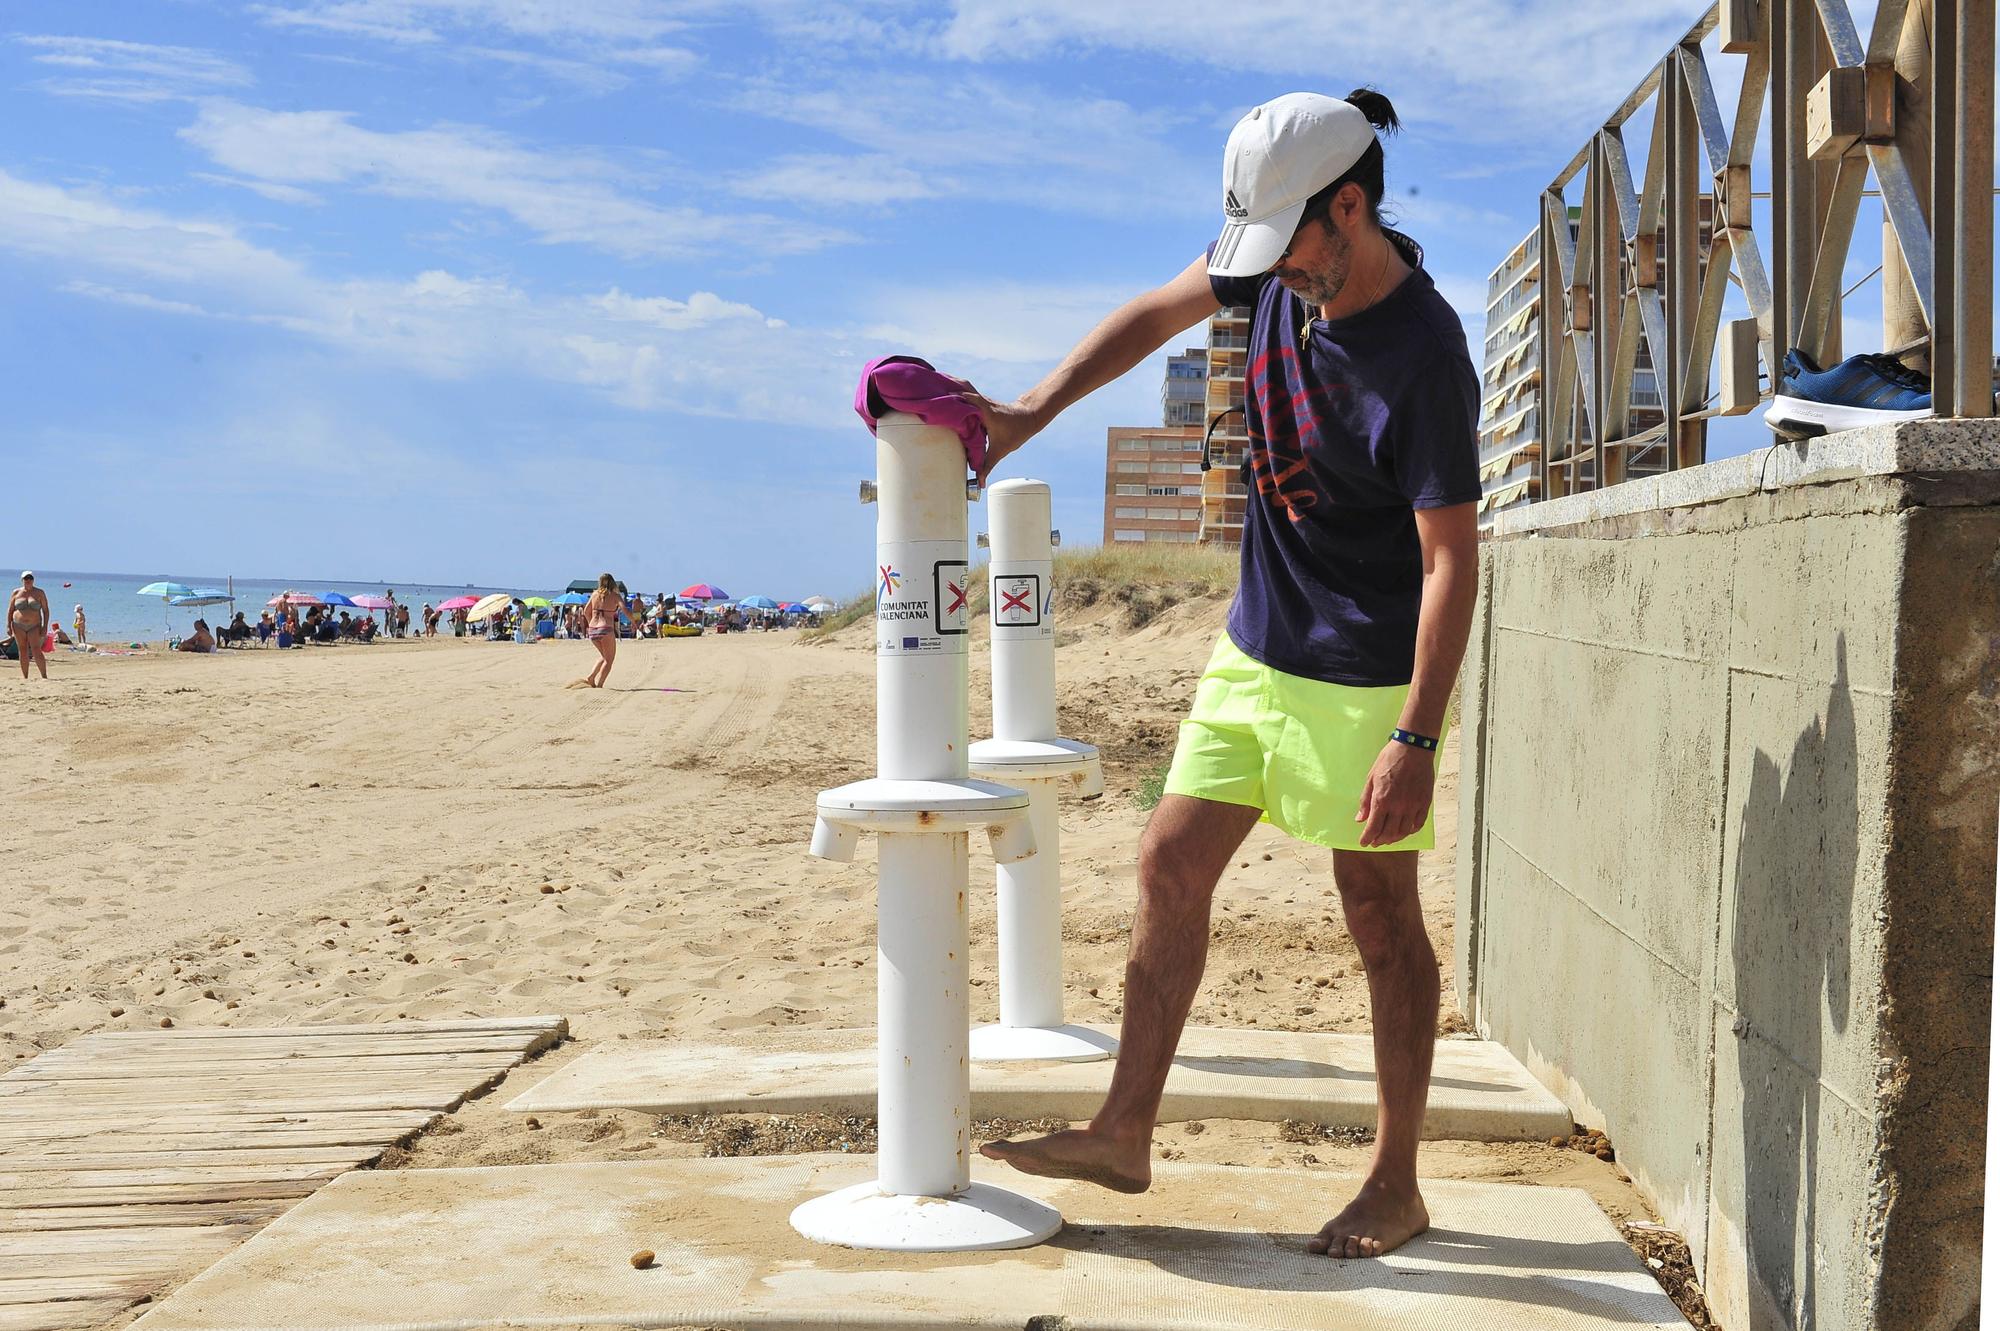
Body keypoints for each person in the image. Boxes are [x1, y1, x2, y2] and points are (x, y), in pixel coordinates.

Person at [967, 91, 1481, 1261]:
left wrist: (1415, 738)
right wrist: (1031, 411)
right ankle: (1123, 1126)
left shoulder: (1423, 355)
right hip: (1253, 644)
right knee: (1167, 858)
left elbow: (1450, 558)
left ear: (1349, 207)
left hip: (1360, 670)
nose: (1270, 274)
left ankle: (1394, 1181)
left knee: (1378, 913)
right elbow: (1152, 314)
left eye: (1295, 244)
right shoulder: (1267, 263)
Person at [571, 572, 622, 688]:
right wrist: (634, 622)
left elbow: (585, 612)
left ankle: (591, 676)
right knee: (609, 660)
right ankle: (600, 685)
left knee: (604, 656)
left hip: (593, 630)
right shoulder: (614, 595)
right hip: (606, 629)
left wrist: (591, 624)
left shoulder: (594, 594)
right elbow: (624, 608)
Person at [8, 572, 50, 680]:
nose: (28, 580)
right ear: (22, 580)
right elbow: (10, 610)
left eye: (30, 578)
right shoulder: (16, 592)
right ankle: (25, 677)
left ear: (33, 580)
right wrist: (8, 625)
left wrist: (45, 626)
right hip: (18, 625)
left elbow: (45, 611)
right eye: (26, 578)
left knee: (36, 649)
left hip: (34, 626)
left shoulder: (39, 593)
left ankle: (44, 676)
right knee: (22, 650)